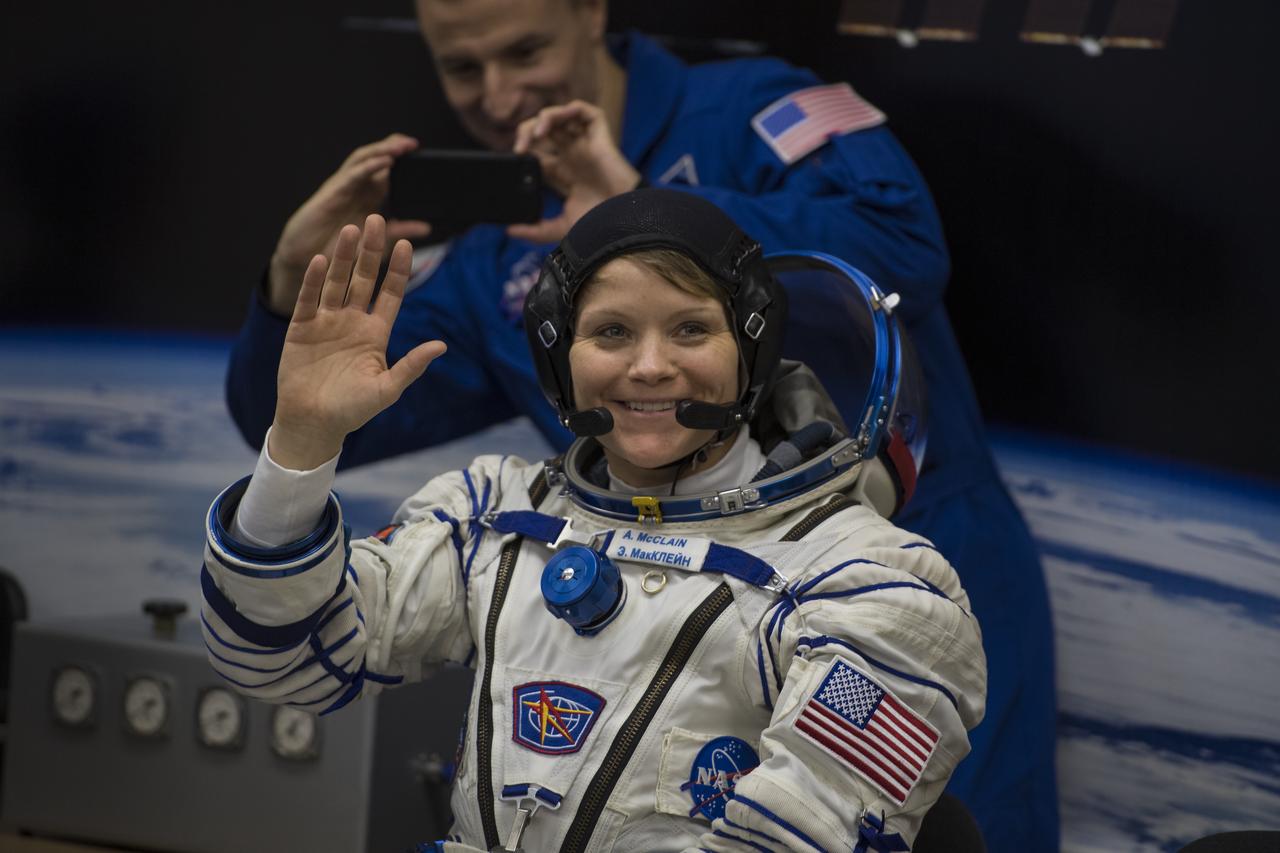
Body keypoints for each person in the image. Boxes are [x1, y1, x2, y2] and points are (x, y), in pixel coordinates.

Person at [224, 1, 1057, 847]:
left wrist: (641, 206)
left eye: (526, 49)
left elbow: (905, 247)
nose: (501, 94)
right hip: (628, 558)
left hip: (903, 533)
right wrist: (293, 284)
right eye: (464, 69)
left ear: (591, 13)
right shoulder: (500, 268)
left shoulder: (758, 111)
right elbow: (317, 413)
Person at [202, 190, 987, 852]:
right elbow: (287, 660)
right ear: (559, 357)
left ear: (751, 348)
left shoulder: (868, 585)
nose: (649, 366)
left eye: (690, 329)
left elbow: (797, 835)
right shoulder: (495, 518)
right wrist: (303, 440)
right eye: (611, 332)